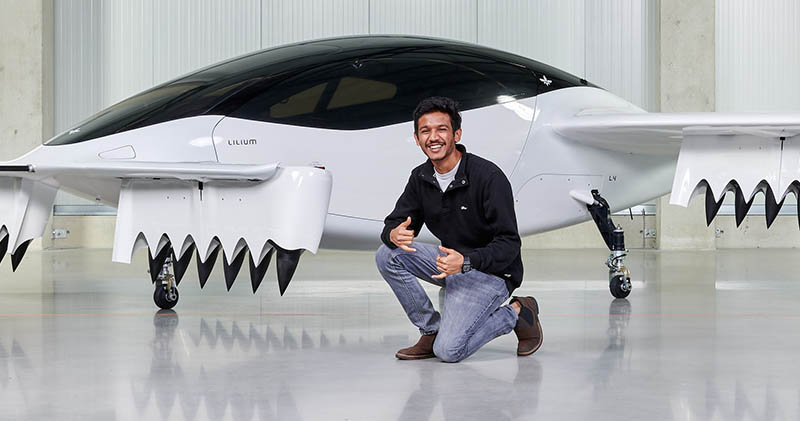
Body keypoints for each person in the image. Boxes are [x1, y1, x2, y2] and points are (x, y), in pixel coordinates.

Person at [375, 96, 543, 362]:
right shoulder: (421, 177)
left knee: (449, 352)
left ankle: (517, 312)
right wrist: (393, 233)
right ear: (417, 139)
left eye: (441, 129)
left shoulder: (488, 177)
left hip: (491, 273)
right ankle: (431, 330)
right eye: (425, 131)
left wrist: (466, 262)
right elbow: (396, 222)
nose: (433, 137)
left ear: (456, 133)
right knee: (387, 254)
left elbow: (509, 244)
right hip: (450, 264)